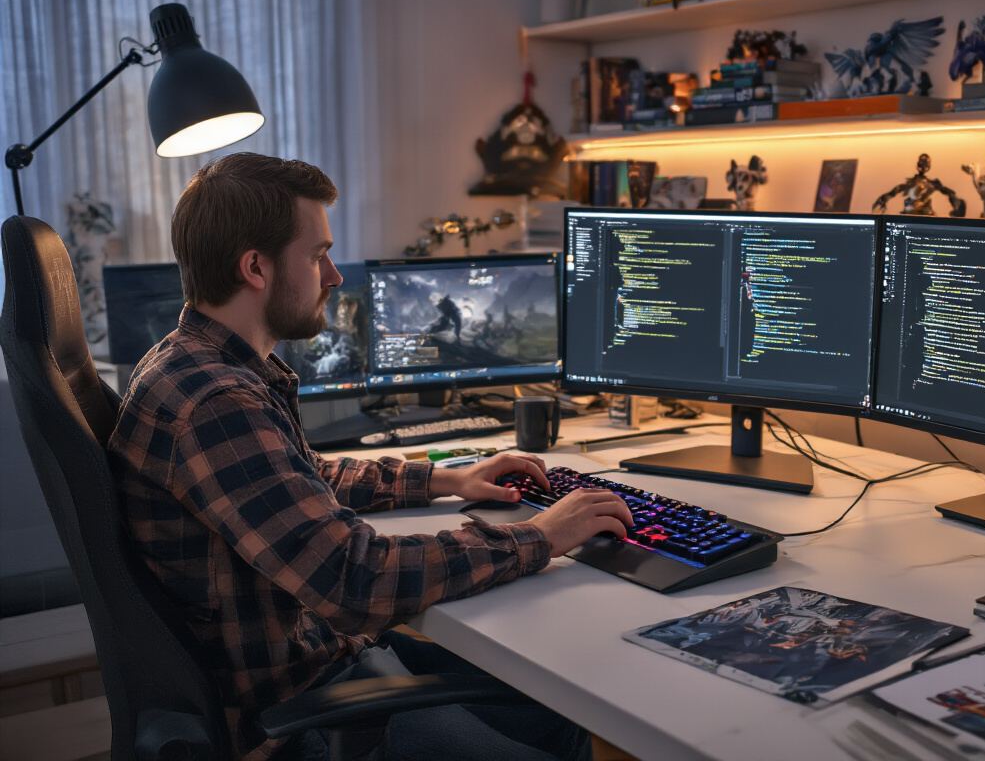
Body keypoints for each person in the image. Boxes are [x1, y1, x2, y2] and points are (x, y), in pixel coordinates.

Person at [108, 153, 634, 761]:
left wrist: (447, 479)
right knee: (553, 724)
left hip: (319, 662)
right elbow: (352, 579)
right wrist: (538, 537)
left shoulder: (191, 361)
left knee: (555, 709)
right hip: (292, 720)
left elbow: (300, 477)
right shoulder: (216, 402)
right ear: (255, 267)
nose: (334, 276)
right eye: (318, 256)